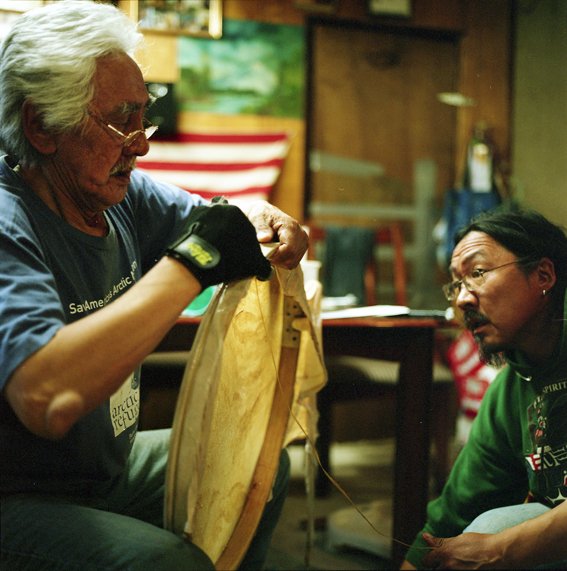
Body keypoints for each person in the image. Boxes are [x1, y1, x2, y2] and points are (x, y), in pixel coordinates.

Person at [0, 2, 308, 569]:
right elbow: (46, 398)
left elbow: (220, 217)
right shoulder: (6, 221)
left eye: (145, 119)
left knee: (259, 467)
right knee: (167, 562)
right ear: (41, 127)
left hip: (100, 472)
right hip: (17, 498)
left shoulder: (114, 194)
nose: (141, 145)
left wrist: (262, 217)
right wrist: (192, 263)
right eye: (122, 123)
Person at [402, 207, 567, 569]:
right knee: (481, 531)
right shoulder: (510, 391)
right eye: (457, 284)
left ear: (544, 275)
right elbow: (452, 515)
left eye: (477, 273)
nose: (462, 299)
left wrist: (501, 549)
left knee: (494, 536)